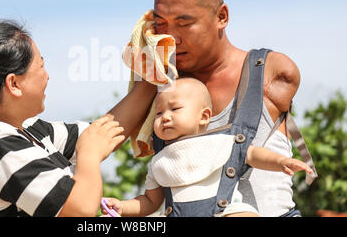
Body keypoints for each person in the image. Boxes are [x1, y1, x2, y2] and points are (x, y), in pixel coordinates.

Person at [0, 20, 157, 217]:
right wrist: (90, 154)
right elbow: (80, 210)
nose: (47, 75)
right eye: (41, 65)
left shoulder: (24, 129)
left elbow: (103, 133)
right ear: (14, 84)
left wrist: (152, 75)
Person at [149, 0, 304, 216]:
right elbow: (109, 132)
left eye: (183, 23)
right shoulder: (163, 87)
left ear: (222, 17)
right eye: (161, 25)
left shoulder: (270, 73)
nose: (172, 38)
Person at [101, 78, 312, 217]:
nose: (165, 117)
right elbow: (149, 201)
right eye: (158, 113)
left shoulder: (222, 141)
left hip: (227, 210)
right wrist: (123, 206)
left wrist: (281, 161)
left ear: (204, 117)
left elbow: (252, 154)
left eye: (175, 109)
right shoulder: (160, 161)